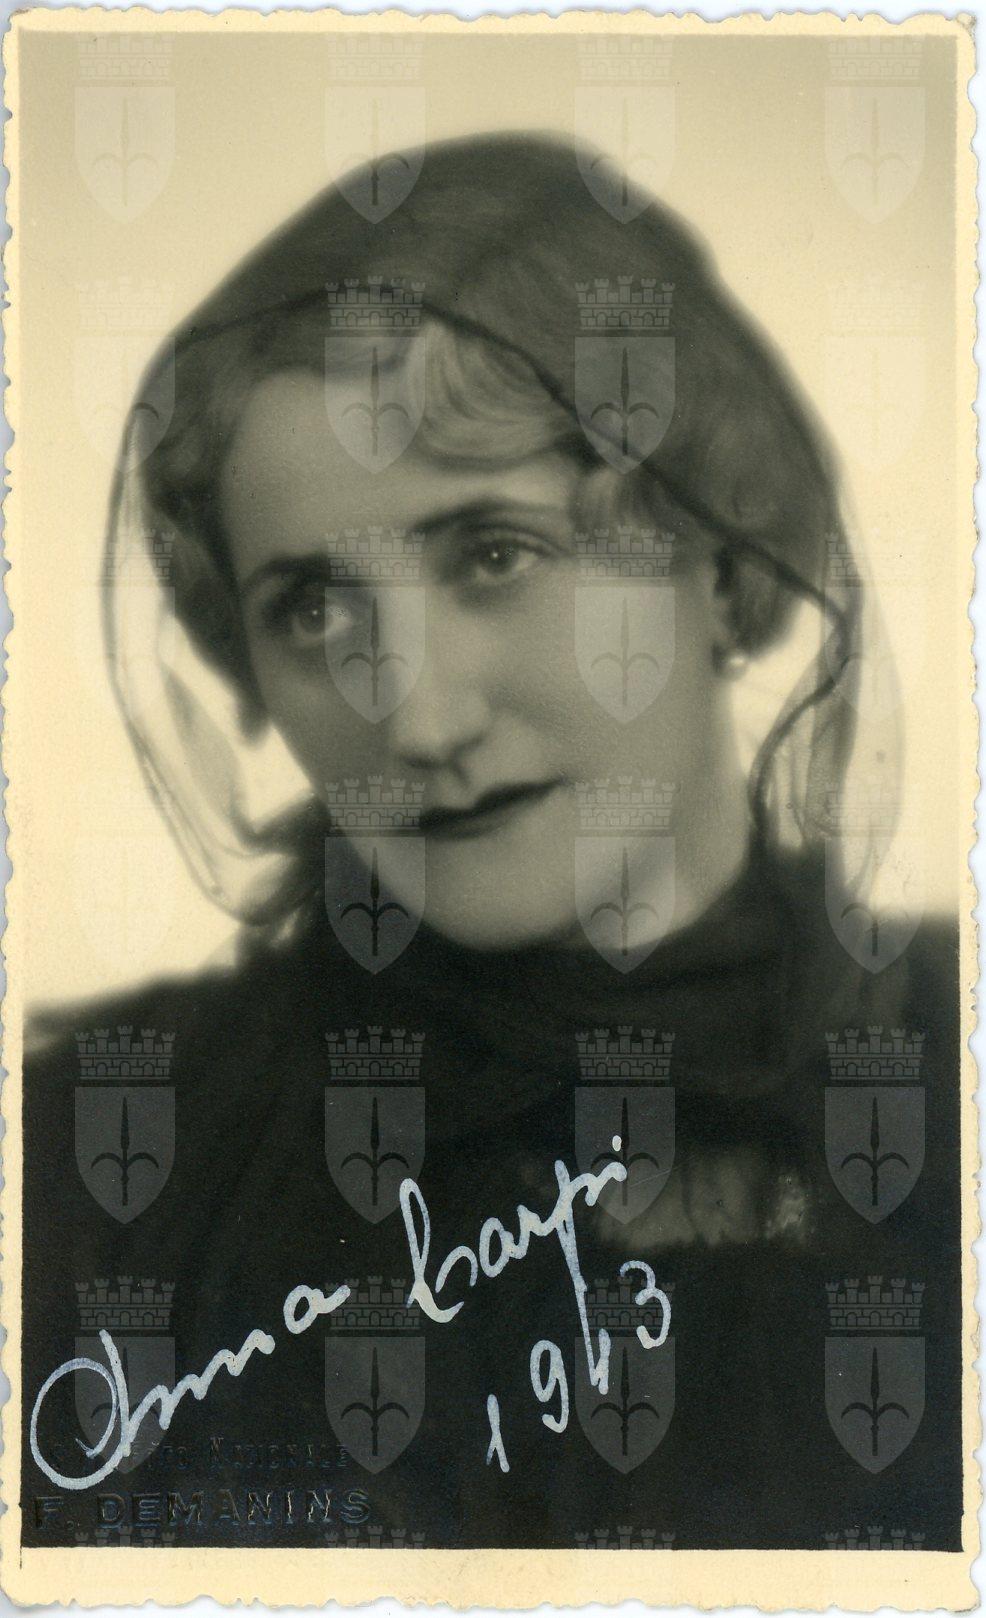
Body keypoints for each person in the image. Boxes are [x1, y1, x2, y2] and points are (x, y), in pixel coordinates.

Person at [23, 133, 960, 1551]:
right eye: (312, 608)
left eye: (495, 554)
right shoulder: (99, 1165)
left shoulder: (946, 1071)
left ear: (718, 558)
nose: (417, 715)